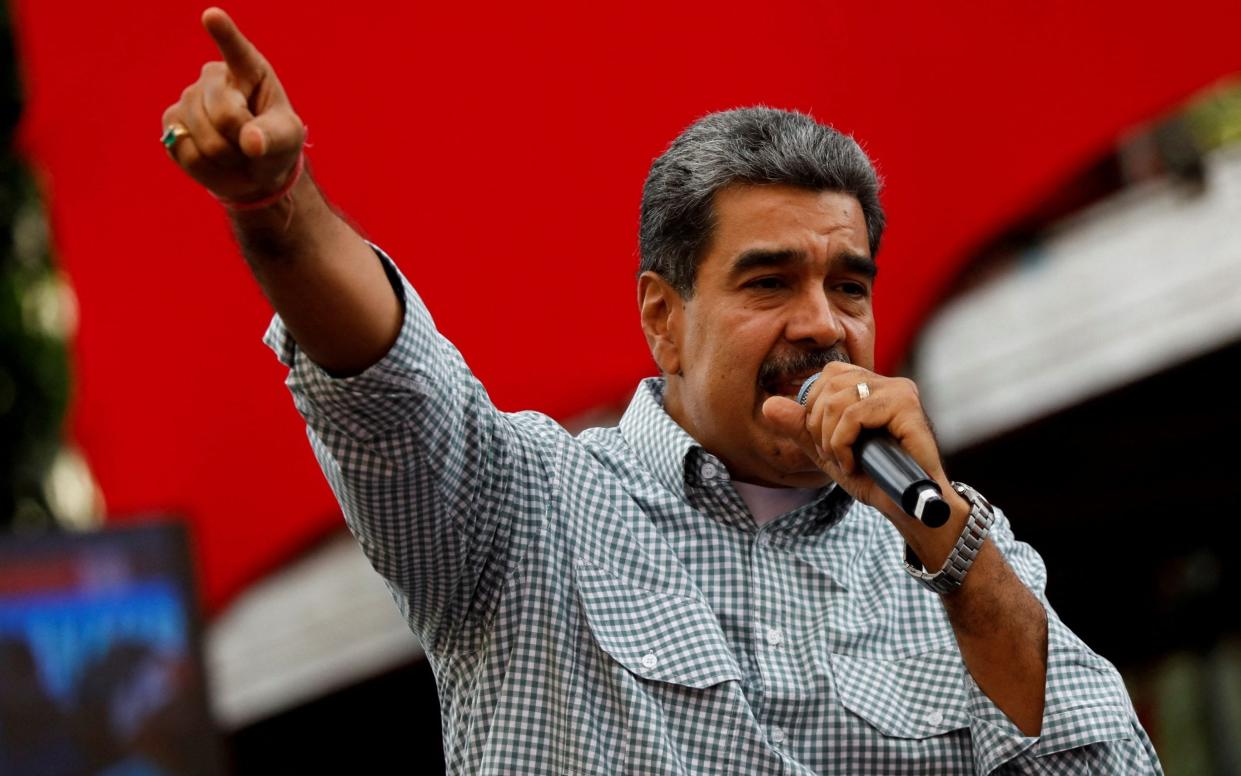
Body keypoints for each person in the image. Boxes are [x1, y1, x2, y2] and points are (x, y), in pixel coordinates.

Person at [162, 8, 1163, 773]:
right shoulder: (520, 508)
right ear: (662, 319)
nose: (823, 321)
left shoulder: (955, 563)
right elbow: (386, 380)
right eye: (769, 280)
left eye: (847, 284)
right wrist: (275, 207)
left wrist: (952, 550)